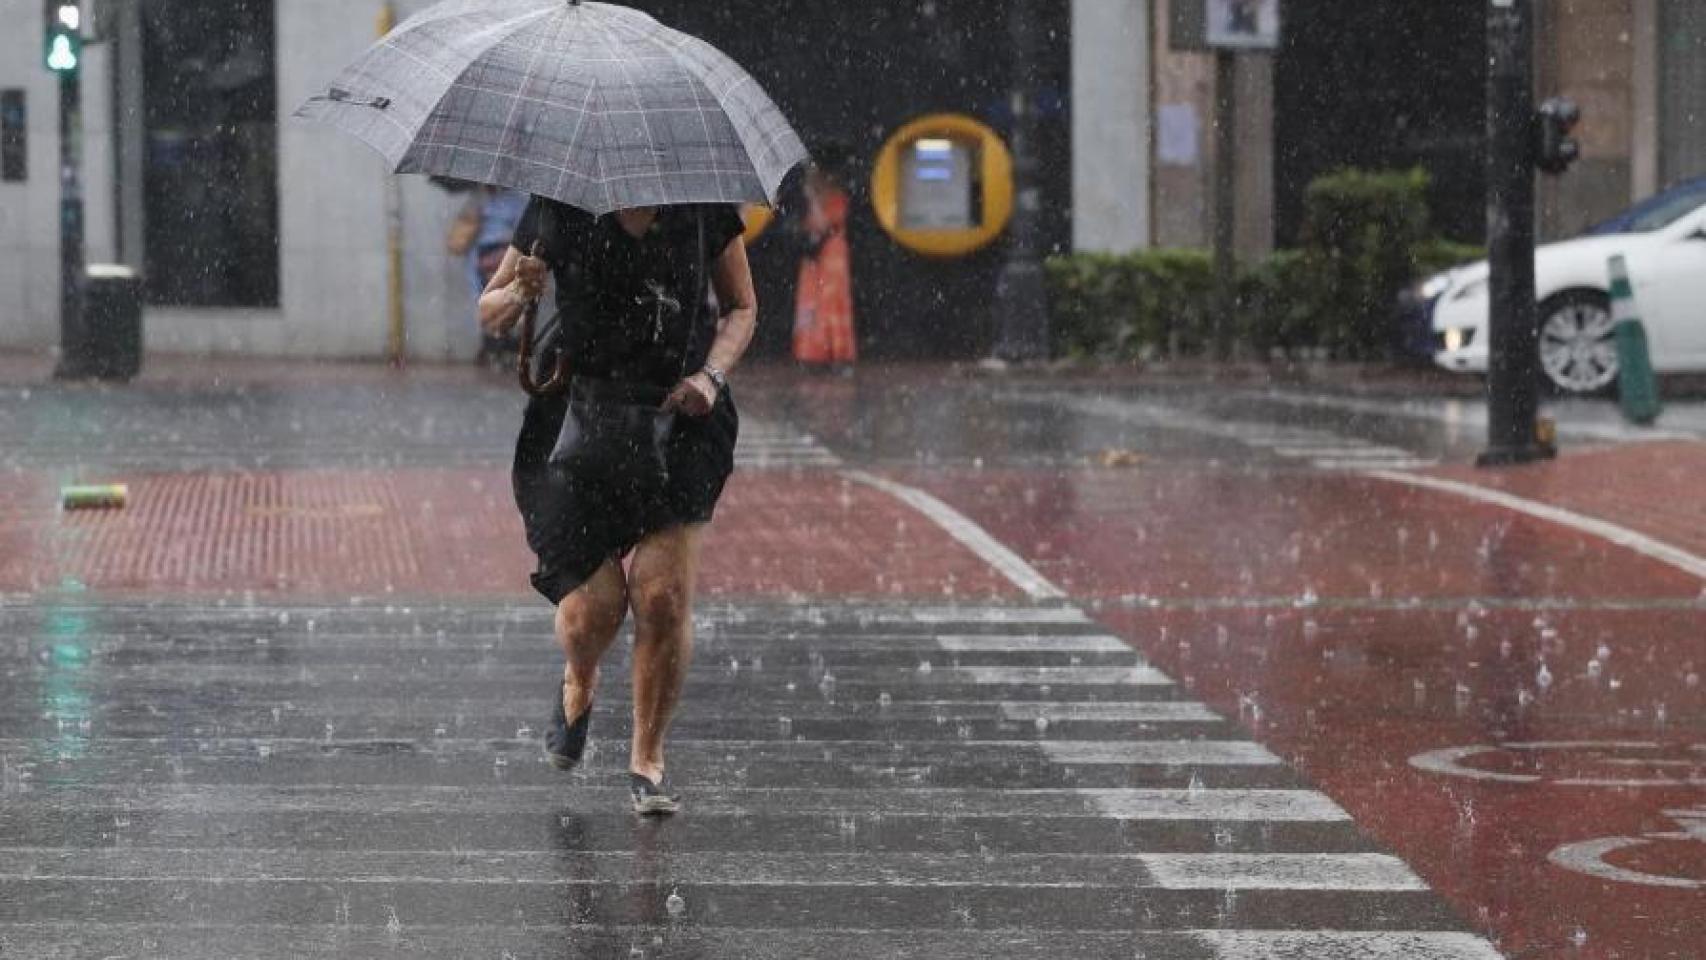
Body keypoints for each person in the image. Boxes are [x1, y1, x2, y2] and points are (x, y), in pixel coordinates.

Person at [478, 199, 754, 815]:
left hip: (681, 417)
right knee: (592, 614)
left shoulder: (704, 209)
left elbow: (742, 307)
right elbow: (489, 314)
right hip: (577, 421)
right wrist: (522, 293)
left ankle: (647, 759)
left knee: (661, 596)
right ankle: (579, 677)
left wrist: (712, 375)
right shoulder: (559, 209)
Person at [450, 186, 531, 366]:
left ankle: (509, 348)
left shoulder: (515, 201)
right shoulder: (476, 200)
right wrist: (474, 219)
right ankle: (493, 347)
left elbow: (524, 232)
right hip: (480, 259)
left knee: (511, 302)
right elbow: (463, 231)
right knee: (486, 301)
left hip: (506, 259)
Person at [792, 162, 856, 371]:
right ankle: (814, 351)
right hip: (817, 257)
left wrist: (813, 199)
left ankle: (834, 352)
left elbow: (823, 224)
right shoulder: (816, 199)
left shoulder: (835, 199)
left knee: (830, 304)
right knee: (813, 304)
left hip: (830, 256)